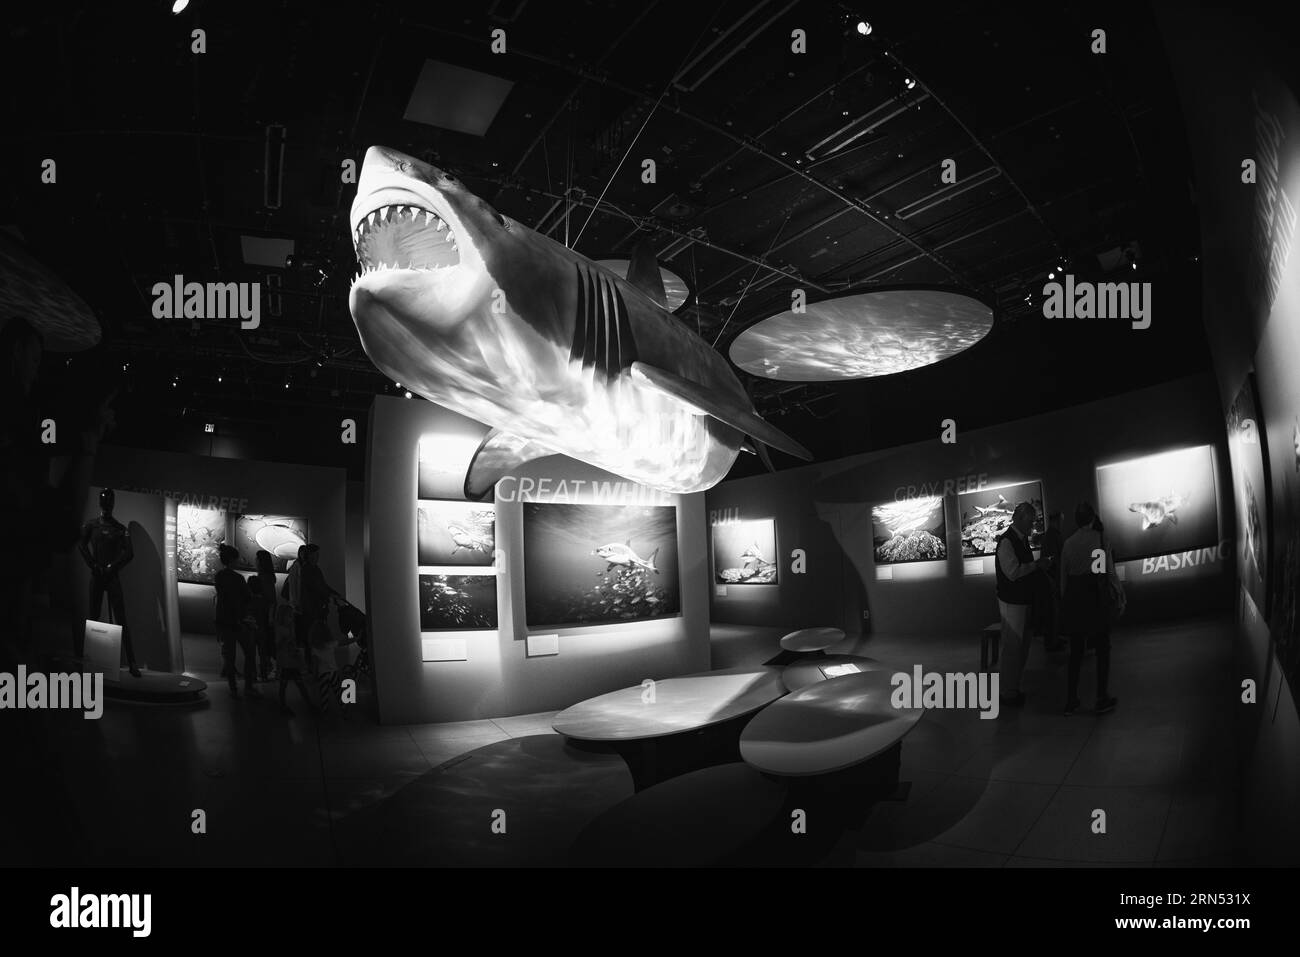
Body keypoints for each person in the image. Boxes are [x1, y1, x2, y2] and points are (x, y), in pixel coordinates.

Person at [1059, 502, 1123, 716]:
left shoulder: (1068, 543)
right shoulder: (1099, 539)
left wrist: (1065, 600)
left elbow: (1064, 577)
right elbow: (1105, 571)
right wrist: (1118, 594)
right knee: (1103, 647)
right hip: (1095, 597)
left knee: (1076, 652)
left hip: (1074, 599)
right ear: (1093, 518)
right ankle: (1101, 697)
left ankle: (1070, 699)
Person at [77, 487, 141, 677]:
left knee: (121, 619)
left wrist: (113, 566)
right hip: (98, 575)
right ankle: (86, 661)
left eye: (109, 503)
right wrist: (93, 565)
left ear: (112, 504)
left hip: (111, 576)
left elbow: (130, 553)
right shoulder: (91, 525)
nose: (106, 506)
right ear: (100, 503)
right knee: (93, 618)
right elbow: (81, 545)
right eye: (104, 502)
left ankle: (132, 662)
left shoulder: (120, 529)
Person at [995, 501, 1051, 707]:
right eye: (1030, 521)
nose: (1032, 525)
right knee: (1012, 647)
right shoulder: (1007, 542)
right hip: (1012, 602)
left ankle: (1013, 688)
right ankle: (1007, 692)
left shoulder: (1020, 539)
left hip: (1022, 601)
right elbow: (1012, 572)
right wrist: (1036, 565)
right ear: (1018, 519)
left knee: (1022, 646)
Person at [214, 544, 260, 699]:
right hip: (238, 622)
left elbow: (223, 598)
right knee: (249, 653)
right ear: (233, 560)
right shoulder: (238, 579)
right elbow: (246, 598)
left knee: (230, 656)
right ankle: (248, 686)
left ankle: (233, 687)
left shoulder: (219, 577)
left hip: (224, 620)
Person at [298, 544, 339, 668]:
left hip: (316, 609)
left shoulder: (314, 569)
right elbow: (318, 587)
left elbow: (322, 586)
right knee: (314, 638)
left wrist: (334, 593)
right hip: (312, 610)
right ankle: (314, 666)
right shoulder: (307, 569)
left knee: (316, 637)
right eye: (315, 554)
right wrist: (331, 594)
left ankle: (316, 666)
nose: (317, 557)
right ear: (309, 555)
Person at [310, 618, 355, 717]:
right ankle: (344, 710)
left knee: (324, 694)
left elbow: (315, 664)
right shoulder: (330, 644)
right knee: (338, 692)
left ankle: (325, 712)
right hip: (333, 672)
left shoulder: (315, 648)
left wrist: (314, 676)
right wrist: (355, 638)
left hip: (322, 673)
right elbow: (344, 642)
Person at [274, 602, 310, 716]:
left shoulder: (289, 628)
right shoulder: (281, 629)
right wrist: (286, 640)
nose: (291, 619)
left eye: (291, 617)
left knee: (297, 683)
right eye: (289, 616)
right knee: (287, 684)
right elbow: (278, 645)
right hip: (286, 661)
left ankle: (307, 703)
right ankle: (283, 705)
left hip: (291, 660)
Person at [1040, 512, 1066, 651]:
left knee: (1053, 611)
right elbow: (1054, 559)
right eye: (1061, 520)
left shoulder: (1049, 535)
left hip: (1051, 577)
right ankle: (1052, 641)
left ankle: (1053, 638)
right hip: (1052, 578)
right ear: (1056, 520)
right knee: (1052, 611)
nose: (1063, 524)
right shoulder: (1052, 536)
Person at [251, 549, 277, 681]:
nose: (255, 561)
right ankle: (265, 669)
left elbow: (271, 600)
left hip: (263, 614)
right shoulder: (267, 576)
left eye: (256, 559)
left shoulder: (264, 577)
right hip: (265, 614)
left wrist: (271, 617)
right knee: (265, 643)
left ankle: (265, 670)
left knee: (263, 643)